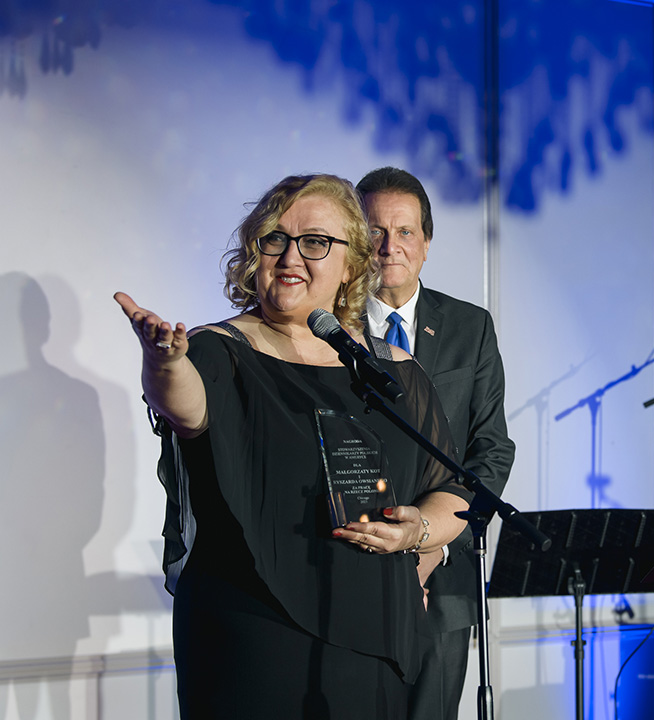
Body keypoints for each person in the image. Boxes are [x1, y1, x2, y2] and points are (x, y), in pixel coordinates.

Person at [114, 173, 471, 718]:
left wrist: (416, 532)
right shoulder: (219, 350)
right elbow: (184, 407)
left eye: (315, 242)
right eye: (274, 239)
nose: (289, 256)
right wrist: (163, 362)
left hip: (373, 632)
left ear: (351, 265)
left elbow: (449, 489)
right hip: (251, 634)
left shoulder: (393, 371)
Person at [356, 167, 515, 720]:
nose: (389, 246)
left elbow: (491, 449)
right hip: (353, 570)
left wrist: (434, 544)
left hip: (445, 582)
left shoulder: (471, 327)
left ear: (426, 242)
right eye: (375, 231)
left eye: (405, 231)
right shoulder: (323, 327)